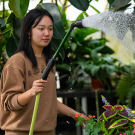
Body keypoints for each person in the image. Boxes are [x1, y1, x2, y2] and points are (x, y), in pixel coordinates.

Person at [0, 8, 88, 135]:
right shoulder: (17, 61)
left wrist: (76, 115)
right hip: (20, 132)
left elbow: (49, 100)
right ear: (28, 31)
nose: (47, 33)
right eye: (41, 29)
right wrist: (31, 92)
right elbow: (9, 103)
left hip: (48, 131)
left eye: (50, 29)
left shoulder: (49, 62)